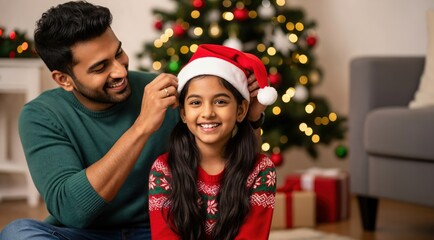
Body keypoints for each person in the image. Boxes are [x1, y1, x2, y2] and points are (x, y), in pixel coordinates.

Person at [0, 2, 269, 240]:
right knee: (17, 234)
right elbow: (72, 211)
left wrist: (252, 118)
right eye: (100, 67)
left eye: (118, 53)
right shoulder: (41, 115)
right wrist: (142, 126)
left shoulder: (162, 90)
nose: (119, 70)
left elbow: (236, 162)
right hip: (84, 234)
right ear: (64, 79)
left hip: (162, 228)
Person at [148, 44, 278, 240]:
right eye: (195, 103)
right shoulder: (163, 170)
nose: (207, 113)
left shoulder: (261, 170)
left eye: (220, 101)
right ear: (183, 113)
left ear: (241, 111)